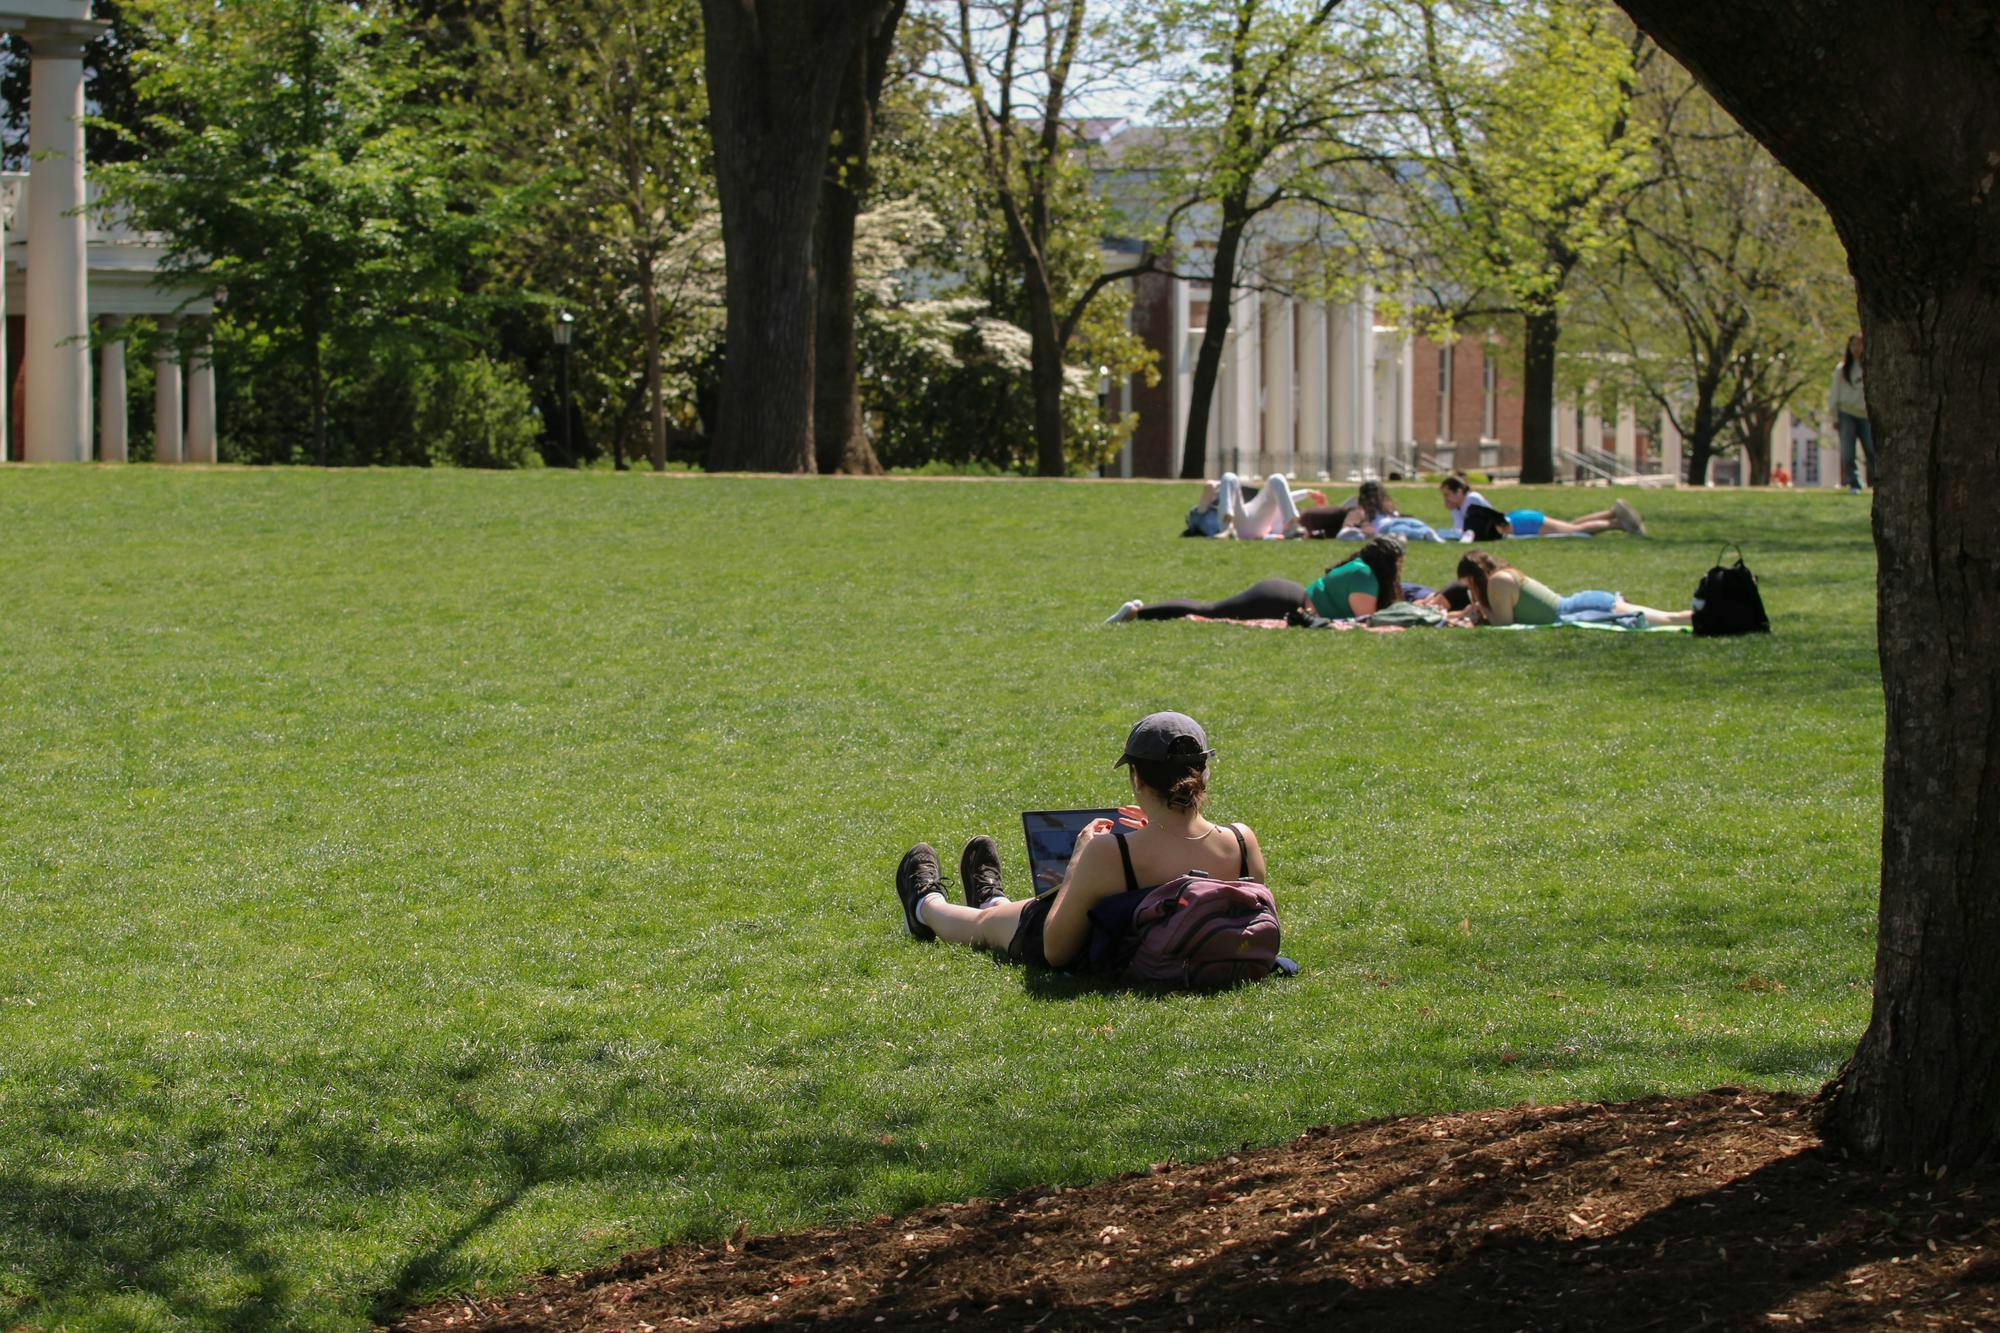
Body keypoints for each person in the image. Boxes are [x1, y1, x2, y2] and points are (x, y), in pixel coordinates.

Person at [893, 712, 1267, 972]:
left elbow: (1056, 949)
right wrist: (1152, 830)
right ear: (1203, 773)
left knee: (986, 925)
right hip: (1184, 947)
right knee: (1003, 912)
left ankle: (925, 907)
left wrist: (1079, 859)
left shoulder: (1113, 852)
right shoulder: (1241, 839)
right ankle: (992, 898)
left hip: (1101, 946)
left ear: (1137, 778)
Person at [1105, 535, 1407, 624]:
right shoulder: (1365, 575)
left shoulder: (1360, 567)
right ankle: (1137, 613)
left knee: (1210, 609)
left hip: (1285, 593)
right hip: (1283, 601)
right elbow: (1365, 619)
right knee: (1209, 611)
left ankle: (1139, 612)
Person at [1455, 549, 1692, 628]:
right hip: (1582, 605)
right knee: (1669, 618)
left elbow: (1504, 624)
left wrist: (1480, 608)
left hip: (1584, 609)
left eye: (1468, 585)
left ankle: (1710, 615)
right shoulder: (1503, 576)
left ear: (1474, 578)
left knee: (1670, 619)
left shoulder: (1498, 581)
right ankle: (1707, 616)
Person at [1184, 472, 1327, 540]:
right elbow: (1208, 488)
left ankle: (1293, 527)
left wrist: (1307, 492)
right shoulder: (1199, 517)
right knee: (1228, 477)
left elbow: (1278, 498)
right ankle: (1227, 529)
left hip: (1254, 523)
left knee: (1276, 479)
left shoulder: (1278, 515)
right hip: (1236, 527)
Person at [1828, 332, 1874, 494]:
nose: (1856, 348)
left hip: (1866, 416)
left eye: (1859, 344)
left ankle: (1877, 481)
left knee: (1871, 450)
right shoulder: (1842, 369)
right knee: (1848, 452)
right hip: (1846, 414)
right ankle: (1854, 484)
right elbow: (1834, 394)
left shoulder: (1871, 367)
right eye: (1853, 345)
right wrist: (1834, 417)